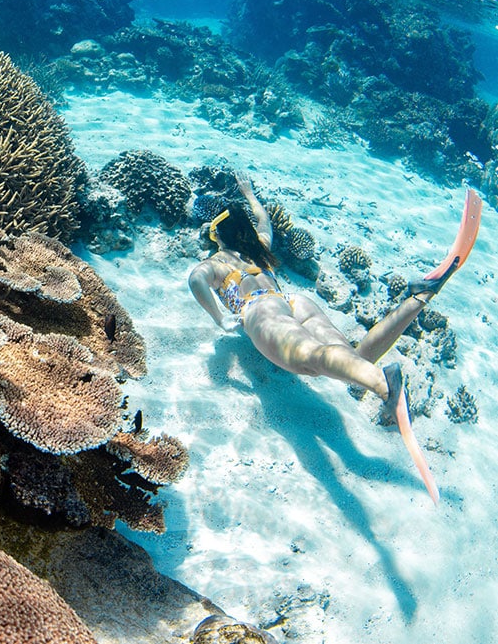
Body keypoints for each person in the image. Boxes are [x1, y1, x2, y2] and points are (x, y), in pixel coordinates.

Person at [188, 173, 481, 504]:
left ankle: (385, 387)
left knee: (313, 360)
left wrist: (220, 318)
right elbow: (263, 218)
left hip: (260, 311)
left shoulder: (216, 261)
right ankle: (419, 298)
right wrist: (249, 193)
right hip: (297, 302)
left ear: (220, 237)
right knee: (354, 359)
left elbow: (195, 280)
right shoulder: (260, 248)